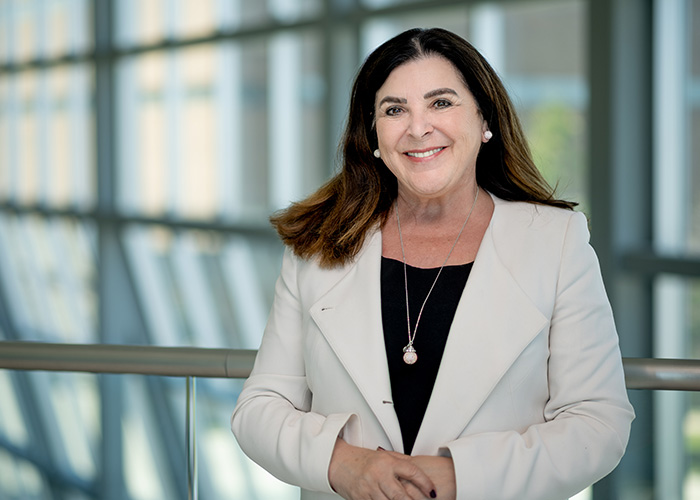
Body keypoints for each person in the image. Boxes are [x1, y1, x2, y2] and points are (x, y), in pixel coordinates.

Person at [231, 27, 634, 500]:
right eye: (394, 109)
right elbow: (259, 409)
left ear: (485, 119)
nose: (418, 128)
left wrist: (460, 478)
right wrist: (344, 465)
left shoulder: (555, 241)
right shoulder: (320, 244)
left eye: (441, 103)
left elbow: (597, 424)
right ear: (374, 134)